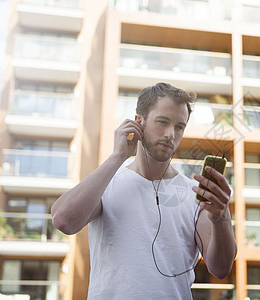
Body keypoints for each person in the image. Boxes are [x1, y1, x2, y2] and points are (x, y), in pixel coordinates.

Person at [51, 82, 237, 299]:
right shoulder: (106, 182)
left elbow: (221, 268)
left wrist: (221, 217)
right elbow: (63, 221)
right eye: (162, 122)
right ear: (138, 122)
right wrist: (117, 157)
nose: (170, 134)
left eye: (179, 126)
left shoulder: (196, 194)